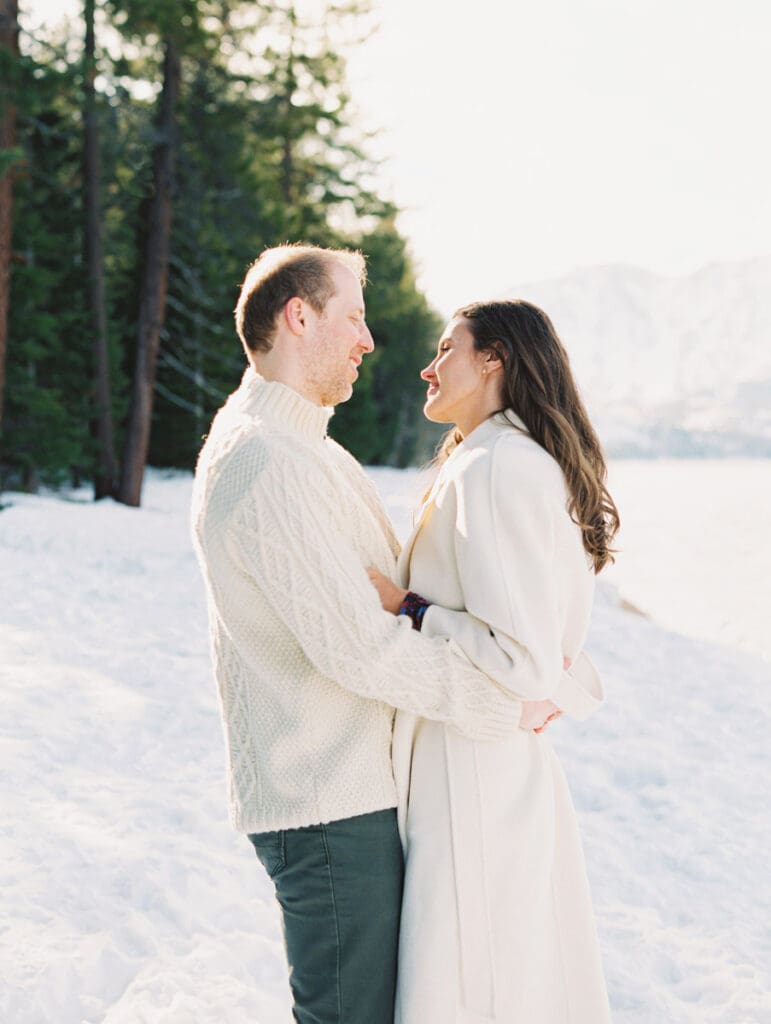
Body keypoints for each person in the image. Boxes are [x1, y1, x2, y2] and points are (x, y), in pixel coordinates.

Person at [190, 247, 578, 1024]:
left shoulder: (309, 451)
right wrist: (507, 708)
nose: (370, 341)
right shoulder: (265, 460)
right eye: (355, 317)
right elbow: (357, 648)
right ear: (298, 317)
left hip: (356, 793)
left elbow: (384, 607)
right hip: (323, 803)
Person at [368, 299, 620, 1023]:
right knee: (505, 971)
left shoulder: (496, 466)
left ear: (494, 358)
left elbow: (522, 660)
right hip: (483, 757)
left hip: (471, 767)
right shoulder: (499, 458)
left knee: (469, 976)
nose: (427, 365)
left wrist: (407, 609)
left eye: (447, 348)